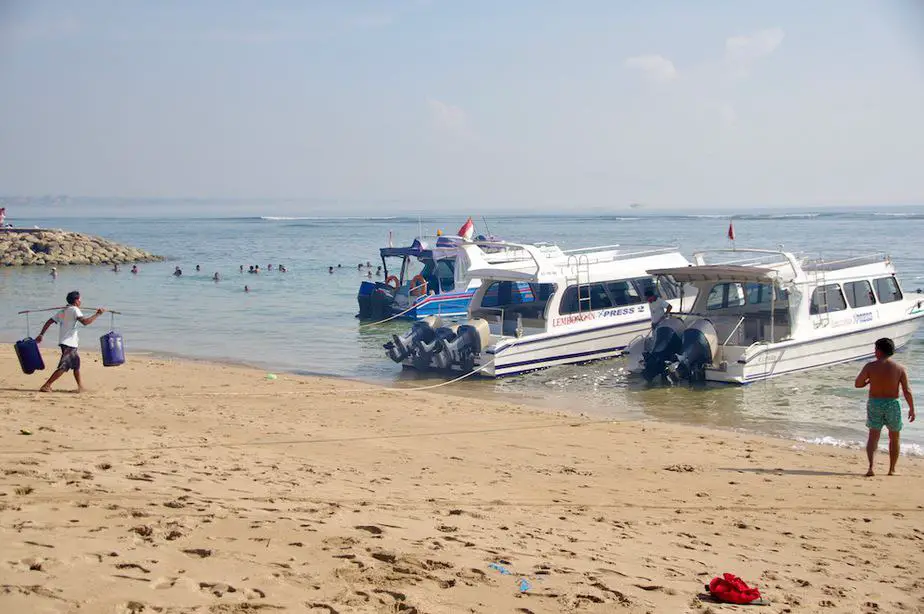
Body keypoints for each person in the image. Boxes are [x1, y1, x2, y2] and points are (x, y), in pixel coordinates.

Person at [855, 338, 915, 476]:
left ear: (879, 351)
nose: (874, 351)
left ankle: (871, 467)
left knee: (873, 436)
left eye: (875, 348)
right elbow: (907, 391)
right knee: (894, 437)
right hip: (892, 404)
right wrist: (912, 408)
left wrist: (868, 382)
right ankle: (892, 469)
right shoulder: (899, 368)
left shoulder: (870, 367)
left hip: (875, 403)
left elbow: (858, 384)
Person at [34, 291, 105, 393]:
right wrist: (97, 314)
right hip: (68, 343)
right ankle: (46, 385)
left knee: (76, 366)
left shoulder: (63, 311)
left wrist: (41, 334)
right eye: (80, 300)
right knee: (64, 367)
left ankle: (80, 387)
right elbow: (85, 322)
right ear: (76, 301)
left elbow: (49, 321)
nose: (81, 302)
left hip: (67, 342)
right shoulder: (75, 310)